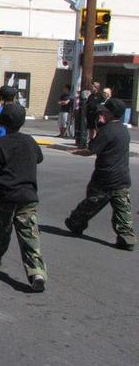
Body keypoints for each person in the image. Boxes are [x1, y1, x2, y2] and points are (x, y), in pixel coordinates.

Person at [0, 103, 47, 292]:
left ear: (3, 123)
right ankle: (37, 271)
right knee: (29, 233)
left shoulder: (0, 143)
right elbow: (39, 158)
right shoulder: (29, 141)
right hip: (28, 195)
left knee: (2, 232)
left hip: (6, 195)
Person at [65, 98, 135, 251]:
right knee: (122, 210)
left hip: (104, 177)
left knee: (91, 202)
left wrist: (75, 152)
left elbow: (91, 150)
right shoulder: (123, 130)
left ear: (110, 113)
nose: (102, 112)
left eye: (104, 111)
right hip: (122, 177)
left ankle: (75, 222)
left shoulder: (107, 130)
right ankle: (126, 236)